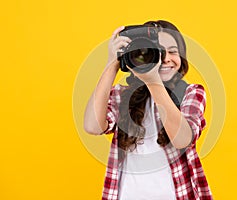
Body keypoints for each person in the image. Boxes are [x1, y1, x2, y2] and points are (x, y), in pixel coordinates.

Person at [84, 20, 213, 200]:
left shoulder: (192, 93)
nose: (165, 58)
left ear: (182, 57)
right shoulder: (122, 96)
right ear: (141, 55)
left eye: (173, 52)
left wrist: (153, 82)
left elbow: (183, 139)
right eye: (158, 52)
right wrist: (112, 63)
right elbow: (92, 126)